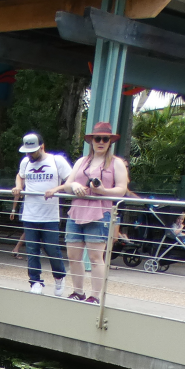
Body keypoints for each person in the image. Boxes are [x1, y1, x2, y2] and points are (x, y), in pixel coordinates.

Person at [50, 122, 128, 304]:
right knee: (73, 255)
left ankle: (94, 295)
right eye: (97, 138)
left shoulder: (116, 163)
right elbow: (68, 184)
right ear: (91, 140)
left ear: (110, 142)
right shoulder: (81, 161)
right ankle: (78, 291)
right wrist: (75, 185)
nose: (101, 142)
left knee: (95, 257)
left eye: (105, 139)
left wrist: (103, 191)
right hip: (77, 211)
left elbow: (122, 189)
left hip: (100, 212)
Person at [13, 132, 71, 295]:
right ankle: (35, 281)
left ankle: (59, 277)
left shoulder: (56, 160)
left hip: (50, 215)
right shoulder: (25, 162)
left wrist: (56, 189)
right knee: (32, 249)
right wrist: (19, 186)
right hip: (30, 213)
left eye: (32, 151)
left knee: (52, 248)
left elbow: (71, 180)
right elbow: (20, 175)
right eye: (27, 152)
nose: (29, 155)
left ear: (42, 147)